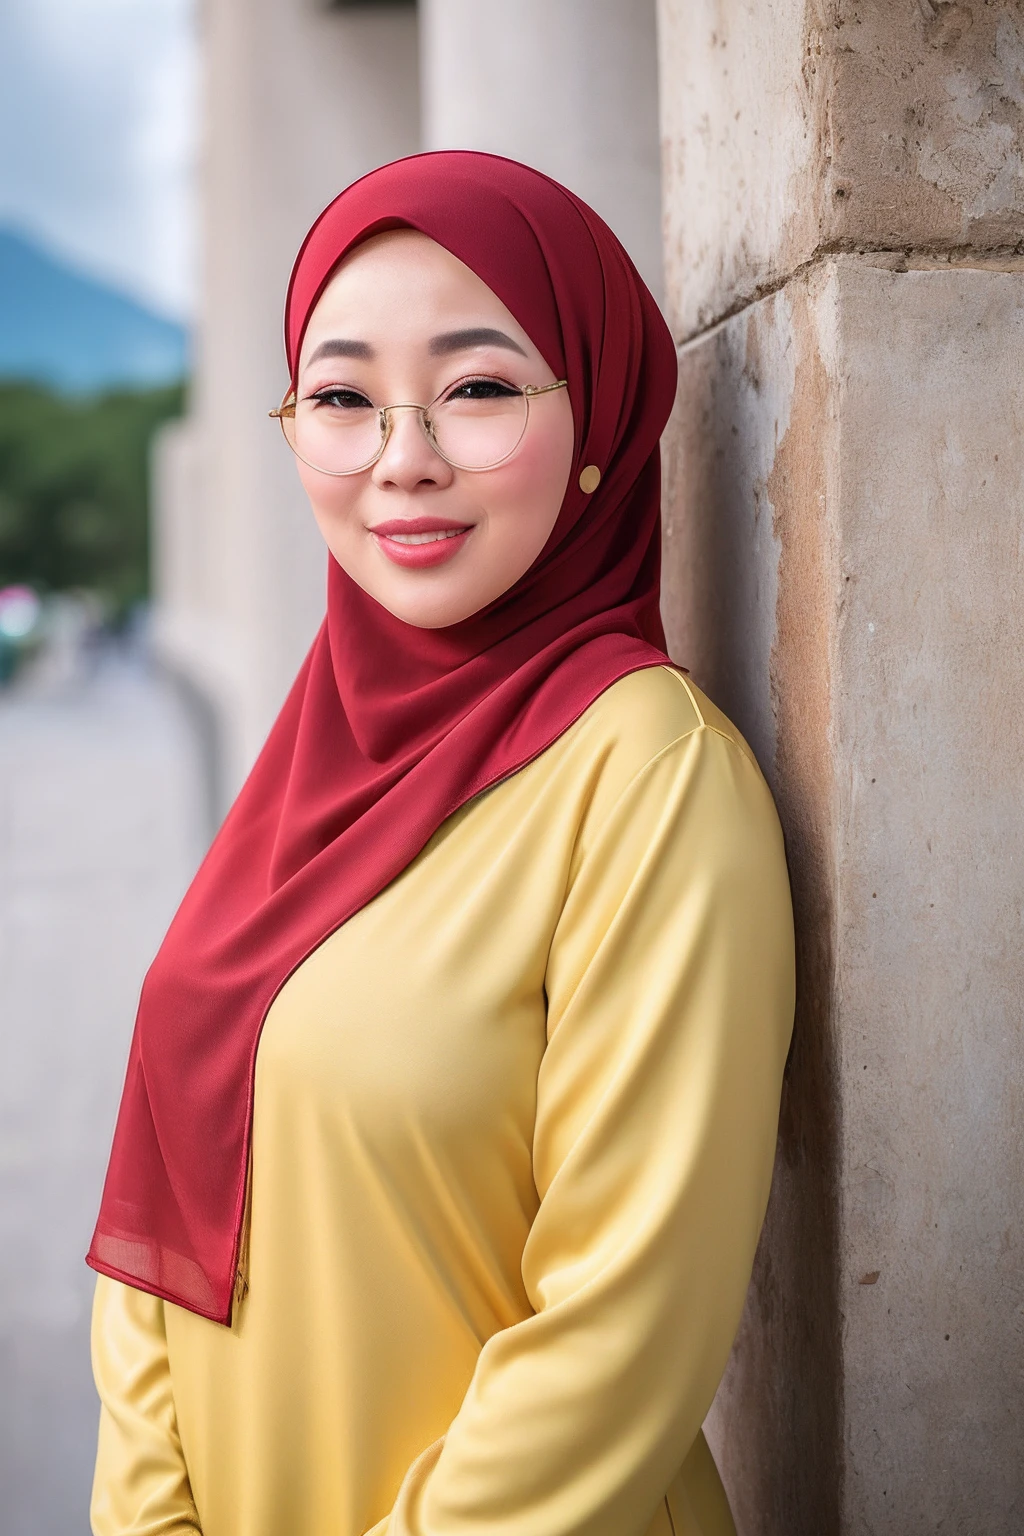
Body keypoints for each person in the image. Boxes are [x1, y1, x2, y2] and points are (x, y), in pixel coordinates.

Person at [87, 151, 795, 1536]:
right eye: (343, 398)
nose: (402, 458)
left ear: (600, 421)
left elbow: (618, 1341)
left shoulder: (649, 782)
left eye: (477, 389)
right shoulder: (313, 760)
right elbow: (167, 1238)